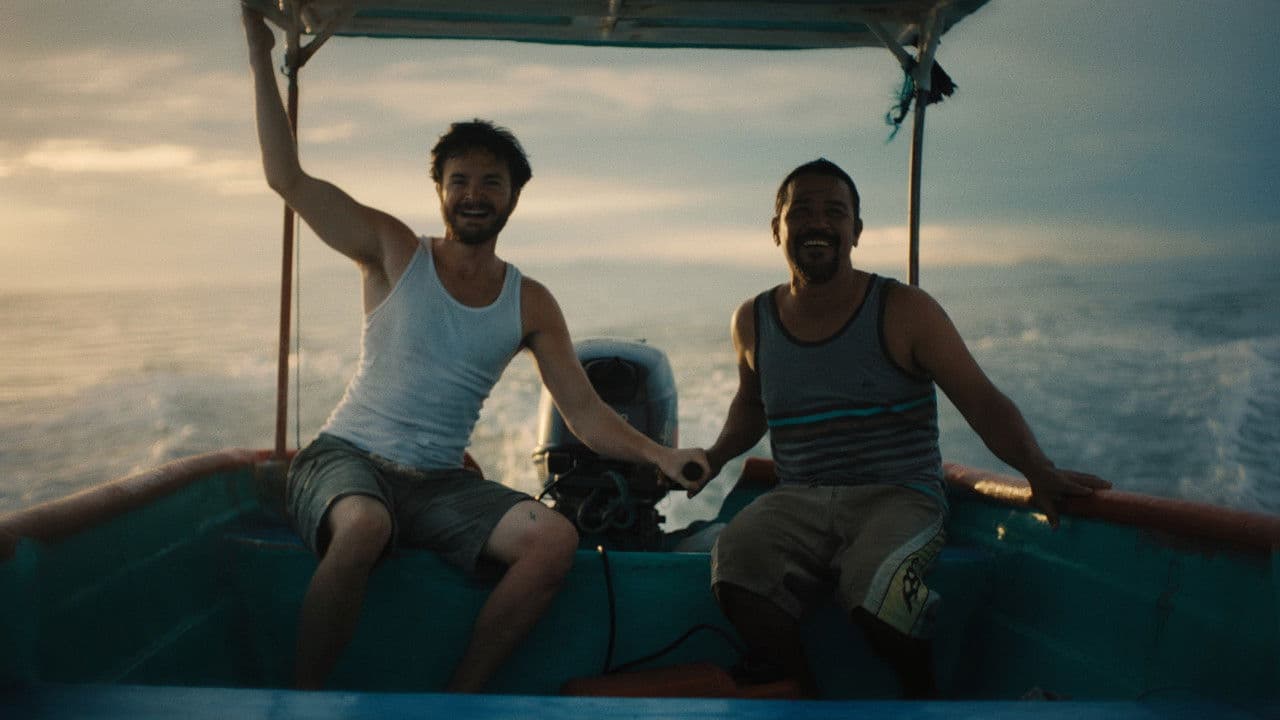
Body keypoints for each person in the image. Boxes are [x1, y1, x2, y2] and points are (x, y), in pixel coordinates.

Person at [242, 8, 709, 693]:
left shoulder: (529, 301)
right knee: (365, 525)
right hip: (348, 459)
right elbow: (286, 178)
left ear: (514, 196)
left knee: (554, 540)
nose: (474, 194)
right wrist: (260, 53)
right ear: (439, 190)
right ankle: (301, 700)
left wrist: (660, 456)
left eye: (491, 182)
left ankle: (458, 700)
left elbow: (584, 413)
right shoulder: (393, 251)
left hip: (440, 486)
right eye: (459, 180)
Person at [687, 159, 1110, 697]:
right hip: (799, 497)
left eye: (835, 212)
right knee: (735, 561)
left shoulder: (905, 309)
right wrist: (713, 457)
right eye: (802, 212)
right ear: (777, 228)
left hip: (899, 495)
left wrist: (1038, 470)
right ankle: (806, 698)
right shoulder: (752, 319)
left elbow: (980, 399)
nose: (818, 224)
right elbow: (751, 407)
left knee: (876, 592)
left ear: (856, 231)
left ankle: (923, 697)